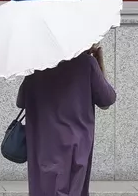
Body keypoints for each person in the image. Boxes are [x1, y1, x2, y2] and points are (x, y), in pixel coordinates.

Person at [16, 45, 116, 196]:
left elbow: (21, 101)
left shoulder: (38, 65)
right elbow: (107, 99)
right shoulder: (86, 63)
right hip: (76, 145)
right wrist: (98, 62)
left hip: (43, 145)